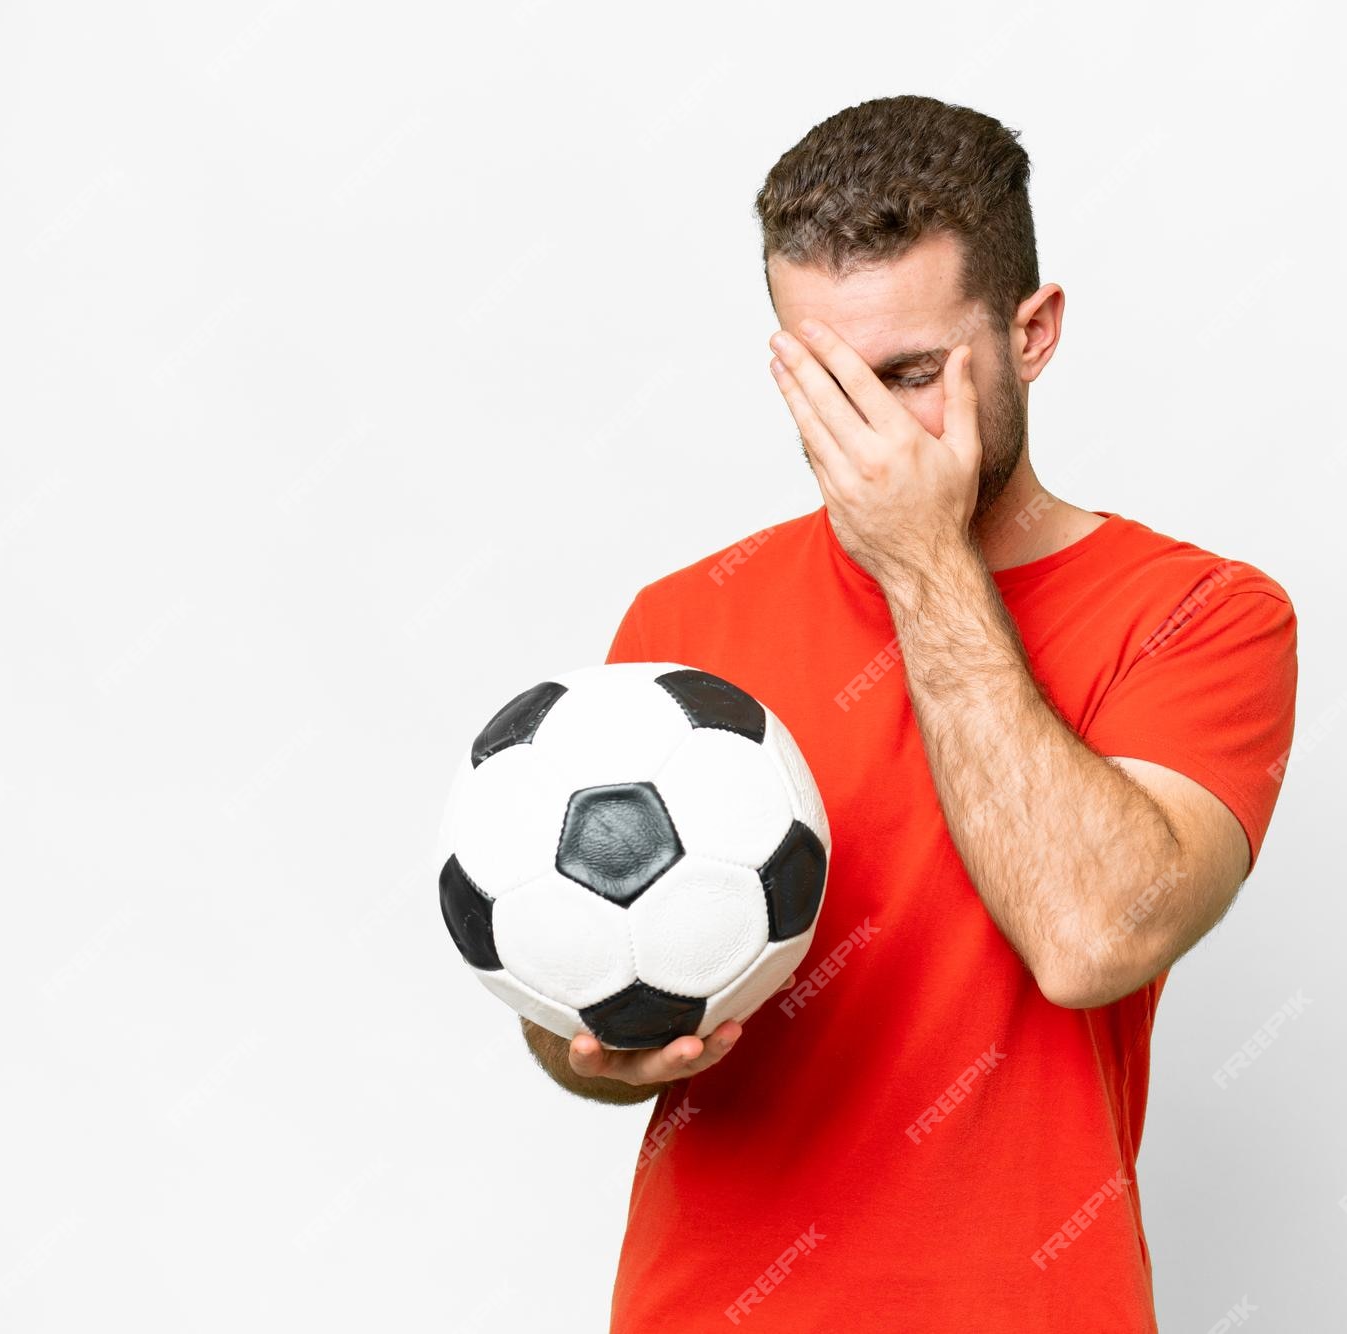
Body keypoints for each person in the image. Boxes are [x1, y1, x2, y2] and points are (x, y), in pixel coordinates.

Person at [521, 93, 1300, 1333]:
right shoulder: (682, 620)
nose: (871, 434)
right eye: (827, 382)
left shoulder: (1198, 613)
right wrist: (597, 1040)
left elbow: (1092, 934)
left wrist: (921, 561)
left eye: (912, 375)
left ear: (1031, 332)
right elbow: (579, 997)